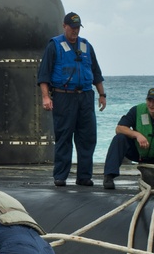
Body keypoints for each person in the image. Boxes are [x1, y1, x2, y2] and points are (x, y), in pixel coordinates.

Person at [37, 12, 106, 187]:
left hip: (85, 96)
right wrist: (46, 97)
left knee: (87, 137)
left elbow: (96, 72)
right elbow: (43, 74)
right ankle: (60, 175)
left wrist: (102, 94)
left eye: (77, 28)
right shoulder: (55, 46)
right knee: (64, 136)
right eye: (72, 28)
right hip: (64, 96)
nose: (75, 31)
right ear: (64, 26)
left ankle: (84, 176)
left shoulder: (86, 46)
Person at [102, 87, 154, 189]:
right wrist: (137, 135)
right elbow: (119, 128)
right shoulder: (137, 110)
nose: (151, 104)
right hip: (139, 153)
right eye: (149, 100)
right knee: (119, 138)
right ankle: (109, 176)